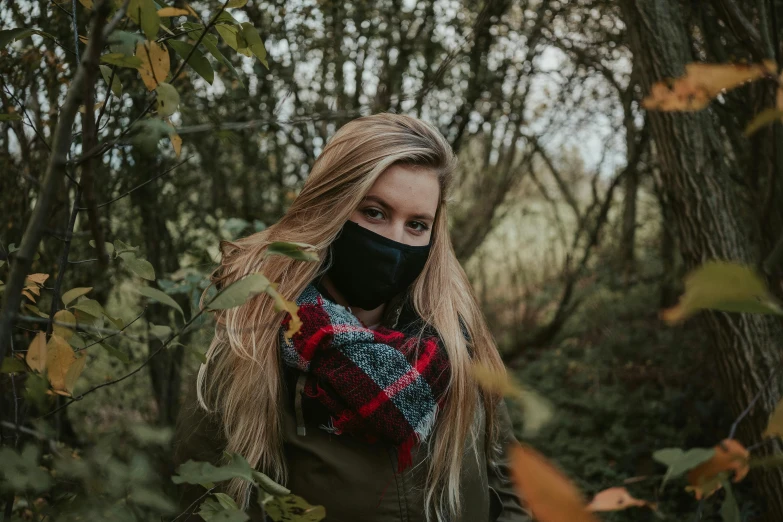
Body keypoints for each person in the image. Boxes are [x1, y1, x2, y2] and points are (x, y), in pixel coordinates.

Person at [172, 113, 531, 522]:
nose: (395, 241)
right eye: (375, 213)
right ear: (332, 208)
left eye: (416, 225)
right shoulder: (253, 343)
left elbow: (506, 482)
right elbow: (207, 505)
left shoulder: (456, 338)